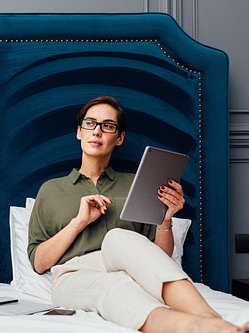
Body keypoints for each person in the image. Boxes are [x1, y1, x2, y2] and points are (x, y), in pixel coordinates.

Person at [28, 96, 249, 333]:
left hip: (130, 270)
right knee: (113, 288)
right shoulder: (51, 190)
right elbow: (39, 264)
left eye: (108, 126)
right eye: (90, 123)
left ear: (119, 137)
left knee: (118, 237)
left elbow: (158, 259)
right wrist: (79, 222)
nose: (97, 131)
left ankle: (211, 320)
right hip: (74, 274)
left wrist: (165, 220)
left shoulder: (138, 185)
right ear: (79, 132)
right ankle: (197, 328)